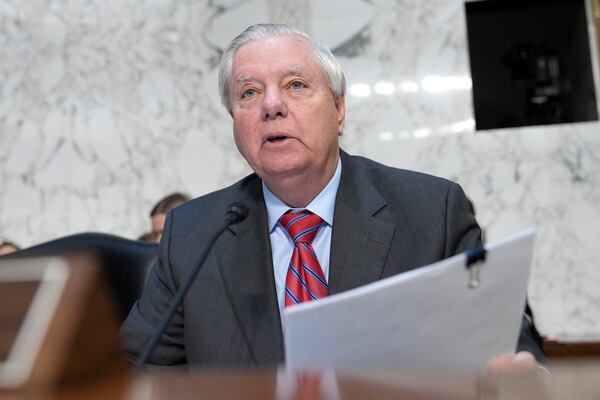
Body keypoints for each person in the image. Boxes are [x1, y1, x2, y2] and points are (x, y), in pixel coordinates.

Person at [121, 23, 543, 370]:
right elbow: (139, 369)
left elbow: (506, 344)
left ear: (339, 108)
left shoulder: (433, 212)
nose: (271, 105)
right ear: (234, 121)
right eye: (248, 93)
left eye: (296, 85)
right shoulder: (194, 233)